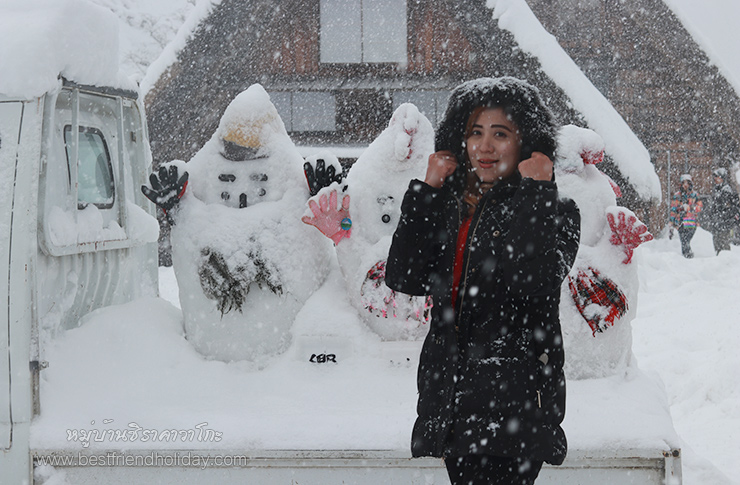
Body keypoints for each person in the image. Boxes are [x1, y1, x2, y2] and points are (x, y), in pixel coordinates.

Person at [386, 77, 580, 485]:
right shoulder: (453, 207)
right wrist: (429, 190)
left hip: (514, 407)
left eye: (500, 134)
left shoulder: (555, 210)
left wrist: (536, 192)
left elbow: (533, 280)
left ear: (526, 143)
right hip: (453, 402)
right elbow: (405, 275)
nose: (485, 147)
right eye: (475, 132)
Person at [703, 168, 740, 254]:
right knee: (718, 245)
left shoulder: (726, 190)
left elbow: (729, 208)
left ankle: (725, 264)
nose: (715, 179)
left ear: (722, 178)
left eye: (717, 177)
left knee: (723, 247)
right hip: (718, 224)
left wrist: (724, 218)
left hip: (723, 224)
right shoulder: (718, 189)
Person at [669, 174, 702, 258]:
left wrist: (690, 207)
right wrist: (671, 222)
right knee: (683, 241)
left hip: (691, 222)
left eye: (687, 182)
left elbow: (699, 207)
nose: (685, 185)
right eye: (683, 183)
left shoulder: (695, 195)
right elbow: (673, 209)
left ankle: (688, 256)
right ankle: (686, 257)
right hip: (680, 222)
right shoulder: (677, 196)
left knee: (687, 240)